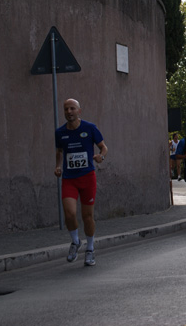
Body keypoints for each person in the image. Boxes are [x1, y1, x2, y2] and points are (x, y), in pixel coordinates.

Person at [55, 98, 107, 267]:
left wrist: (101, 156)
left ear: (79, 110)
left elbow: (103, 147)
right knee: (69, 214)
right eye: (66, 109)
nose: (69, 112)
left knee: (87, 216)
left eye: (72, 108)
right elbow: (59, 151)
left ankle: (90, 249)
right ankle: (76, 241)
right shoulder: (60, 132)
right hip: (69, 179)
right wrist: (57, 166)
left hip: (87, 177)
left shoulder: (90, 128)